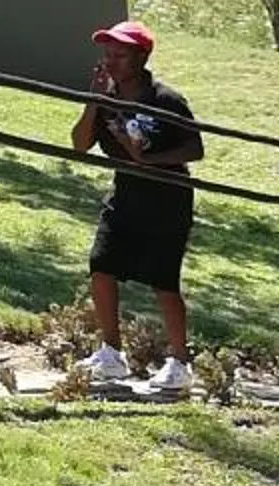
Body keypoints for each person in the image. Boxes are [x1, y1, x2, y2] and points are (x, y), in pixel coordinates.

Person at [69, 20, 206, 393]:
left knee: (163, 282)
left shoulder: (166, 100)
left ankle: (180, 363)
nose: (111, 61)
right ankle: (111, 354)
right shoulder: (106, 99)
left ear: (141, 58)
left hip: (167, 199)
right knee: (101, 265)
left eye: (120, 54)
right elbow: (80, 144)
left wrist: (150, 161)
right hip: (125, 195)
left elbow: (194, 149)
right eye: (107, 53)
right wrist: (93, 102)